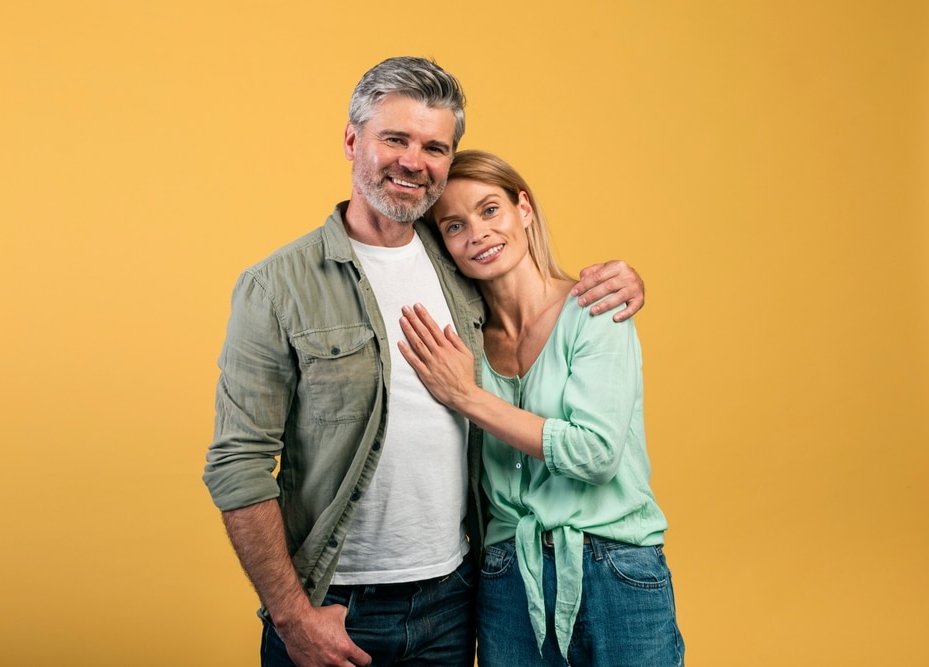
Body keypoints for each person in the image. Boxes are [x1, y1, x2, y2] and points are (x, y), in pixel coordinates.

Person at [203, 57, 646, 667]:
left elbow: (534, 292)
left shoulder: (460, 262)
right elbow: (238, 462)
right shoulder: (277, 286)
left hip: (457, 597)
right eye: (395, 138)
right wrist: (291, 615)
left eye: (435, 146)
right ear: (352, 139)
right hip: (335, 603)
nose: (414, 160)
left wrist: (620, 279)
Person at [399, 149, 684, 666]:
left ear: (523, 209)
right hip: (507, 578)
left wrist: (468, 397)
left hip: (613, 566)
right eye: (455, 226)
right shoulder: (461, 344)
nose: (478, 234)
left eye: (490, 210)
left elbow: (595, 454)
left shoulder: (595, 308)